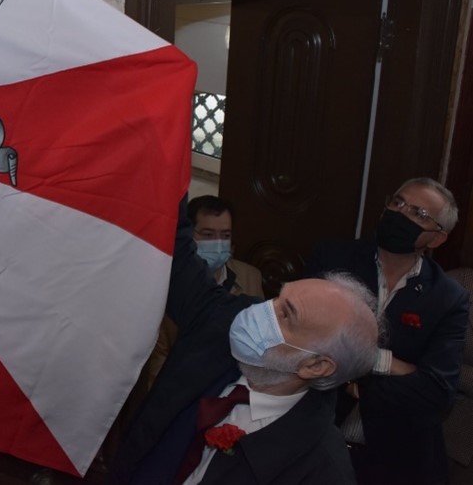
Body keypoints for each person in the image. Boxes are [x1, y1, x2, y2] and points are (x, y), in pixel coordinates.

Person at [108, 199, 381, 484]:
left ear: (315, 365)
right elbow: (175, 246)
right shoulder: (220, 321)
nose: (260, 310)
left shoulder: (321, 469)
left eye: (286, 315)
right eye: (278, 298)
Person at [303, 177, 470, 485]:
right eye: (398, 202)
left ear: (437, 239)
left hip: (397, 455)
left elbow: (437, 393)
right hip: (314, 437)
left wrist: (357, 372)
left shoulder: (448, 298)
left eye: (418, 214)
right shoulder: (333, 259)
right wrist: (394, 366)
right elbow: (302, 340)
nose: (401, 214)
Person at [145, 195, 264, 388]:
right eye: (208, 235)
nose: (218, 244)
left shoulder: (251, 277)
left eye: (225, 235)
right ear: (189, 236)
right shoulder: (168, 283)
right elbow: (160, 360)